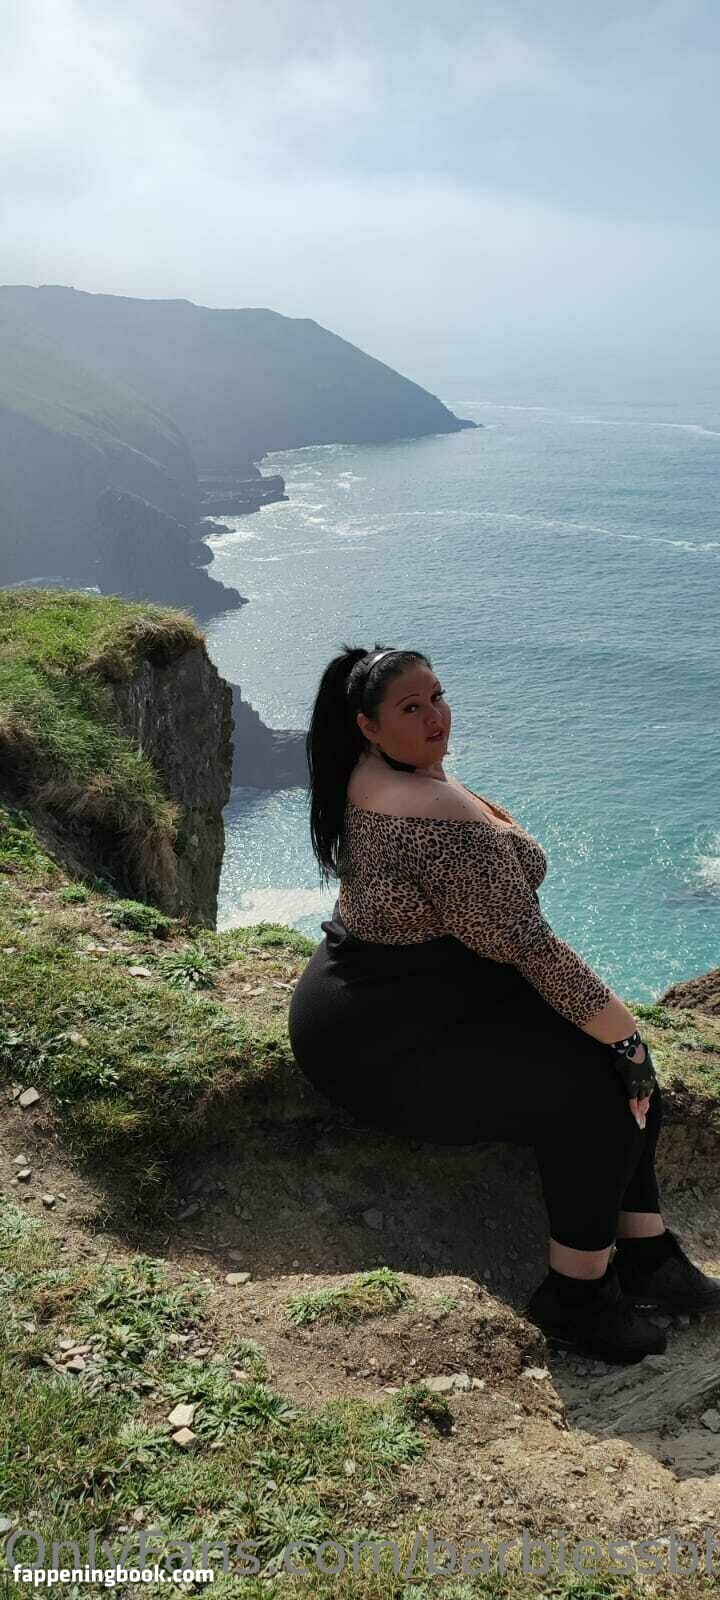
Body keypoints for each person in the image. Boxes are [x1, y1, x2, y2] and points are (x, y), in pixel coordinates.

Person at [288, 644, 720, 1366]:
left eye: (437, 696)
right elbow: (529, 946)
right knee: (599, 1091)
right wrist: (629, 1038)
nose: (436, 716)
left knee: (618, 1071)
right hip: (385, 1040)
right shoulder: (436, 814)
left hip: (393, 997)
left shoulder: (377, 773)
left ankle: (648, 1257)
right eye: (411, 707)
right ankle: (577, 1298)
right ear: (367, 725)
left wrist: (619, 1040)